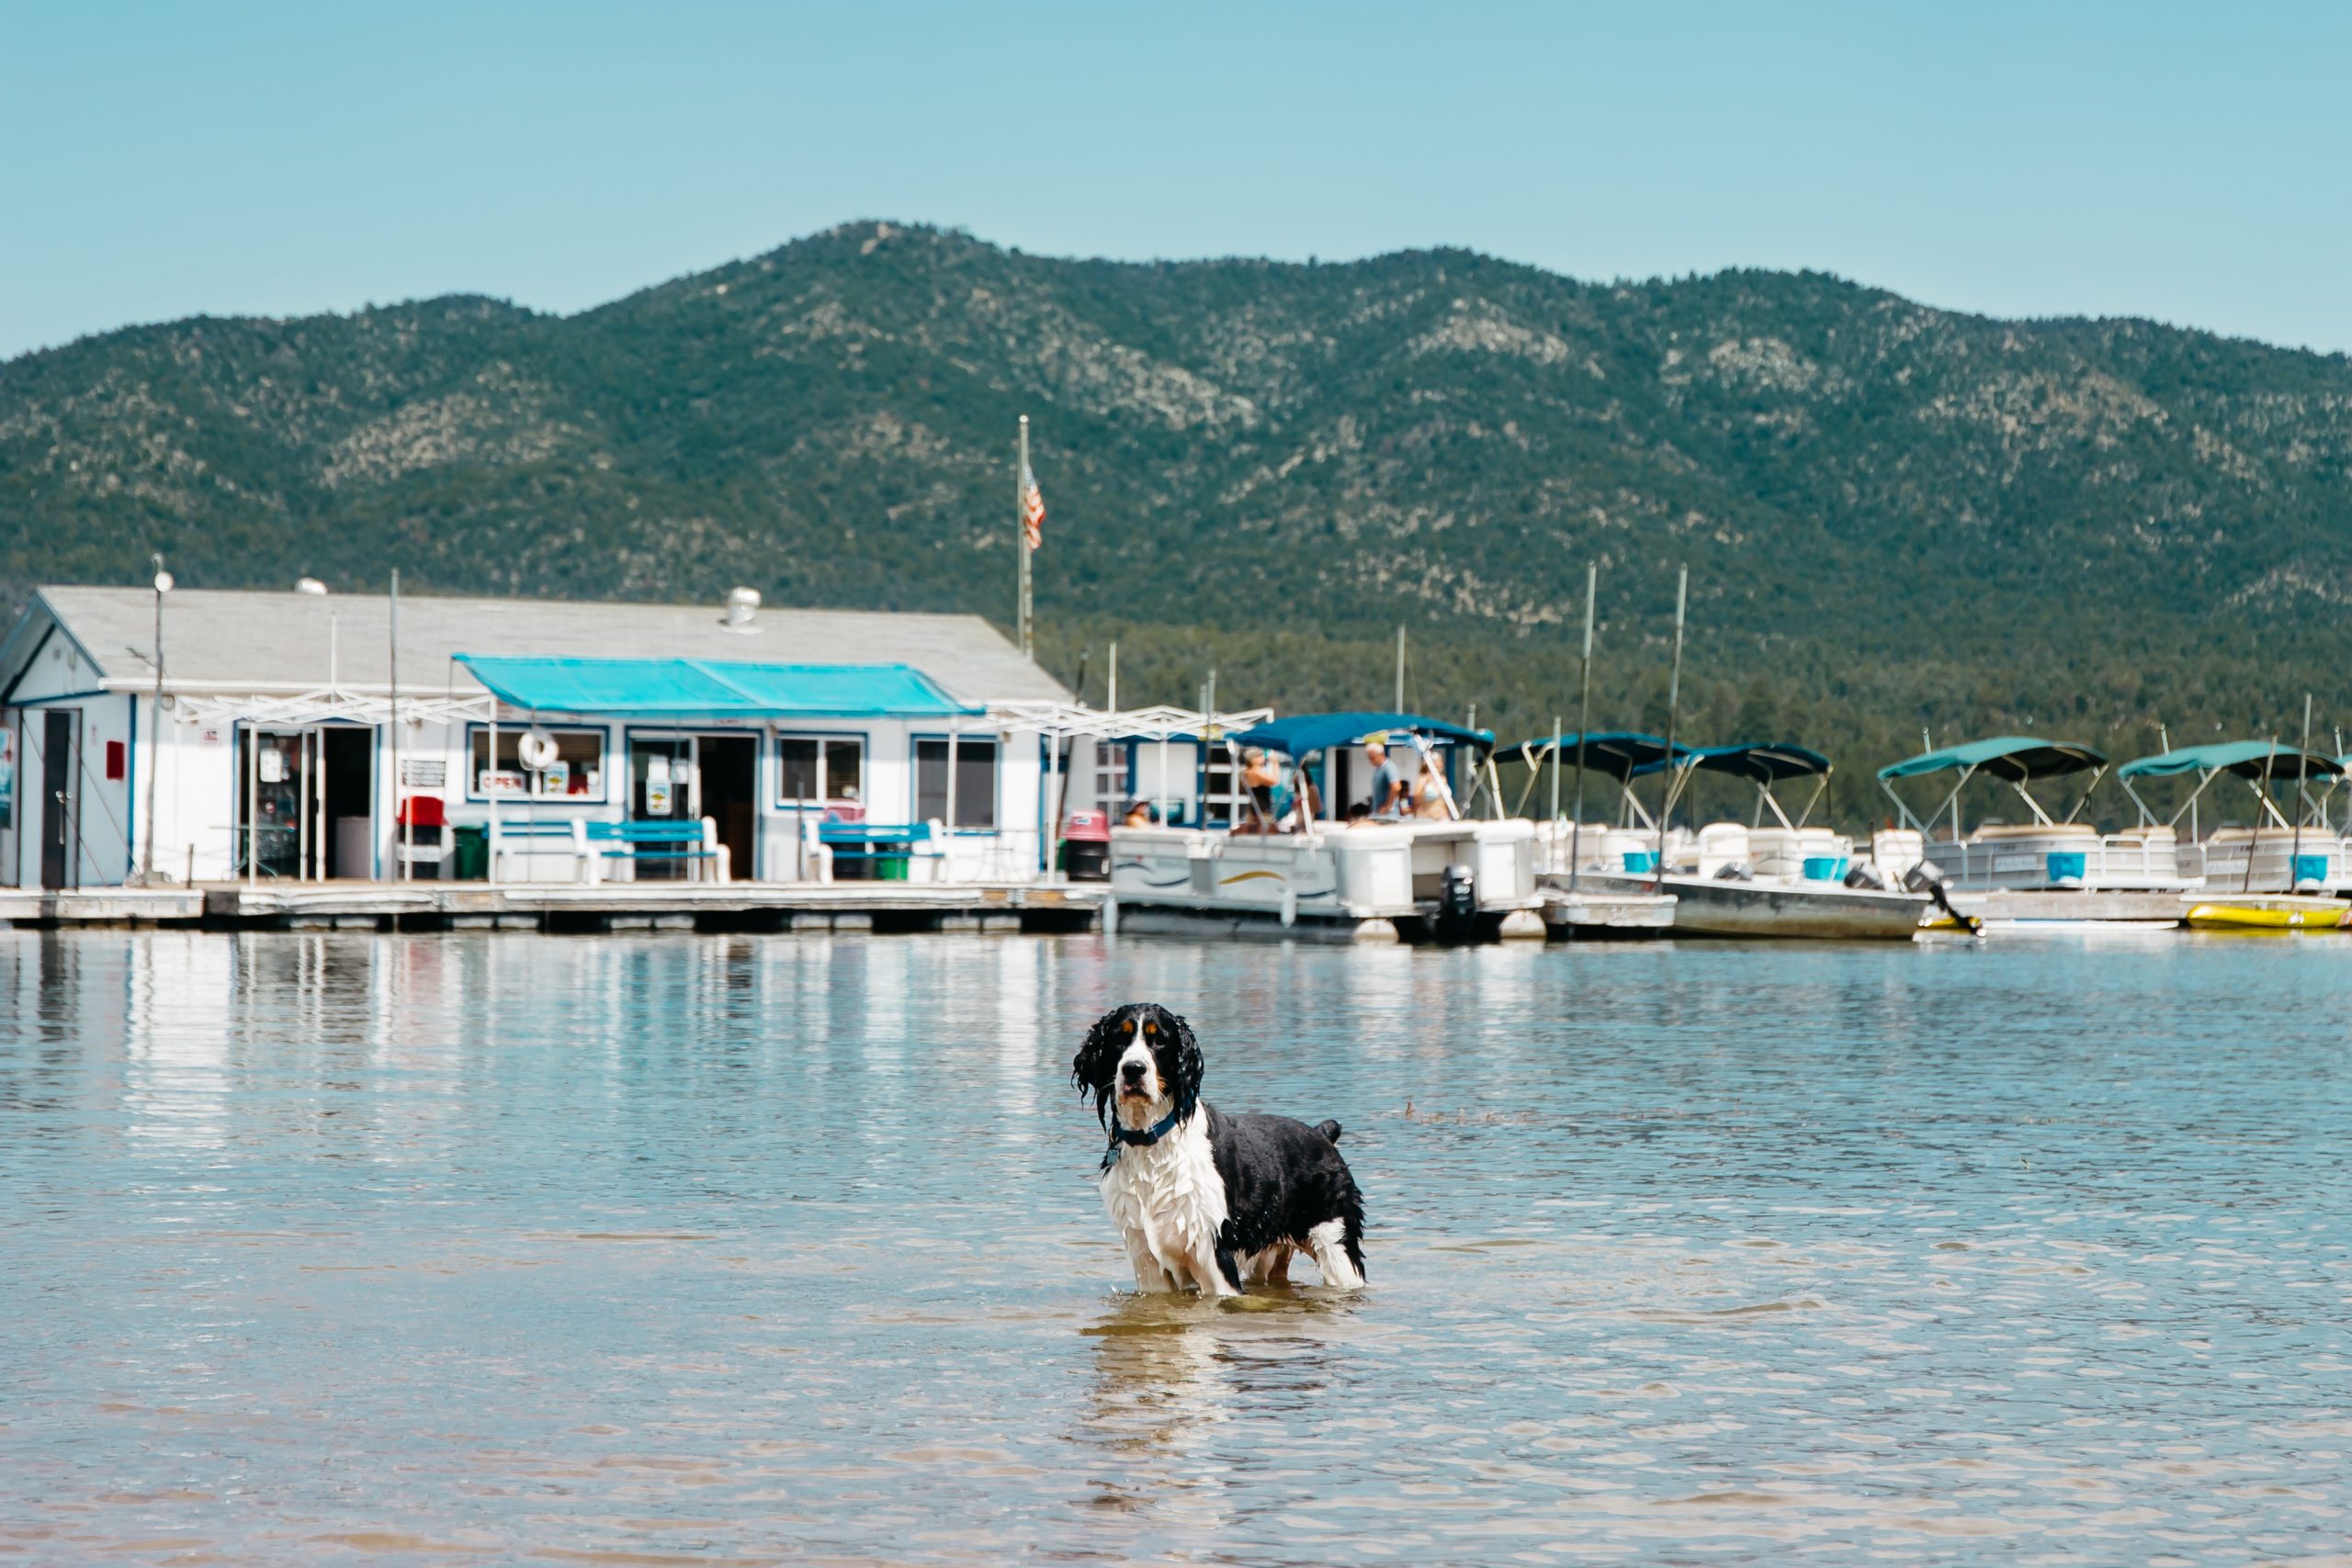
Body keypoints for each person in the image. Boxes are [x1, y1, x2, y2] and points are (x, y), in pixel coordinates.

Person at [1365, 742, 1409, 819]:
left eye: (1372, 758)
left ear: (1381, 755)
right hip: (1379, 815)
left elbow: (1396, 786)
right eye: (1369, 758)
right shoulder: (1379, 768)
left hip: (1388, 816)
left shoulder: (1388, 767)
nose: (1370, 761)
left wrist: (1388, 806)